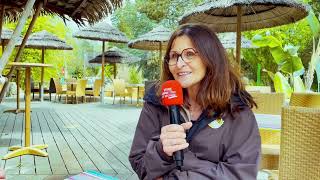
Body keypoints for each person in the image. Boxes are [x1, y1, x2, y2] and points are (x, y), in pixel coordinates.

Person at [129, 24, 261, 180]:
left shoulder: (237, 109)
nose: (179, 64)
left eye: (189, 54)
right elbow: (139, 164)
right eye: (173, 56)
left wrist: (176, 174)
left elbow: (241, 174)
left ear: (210, 57)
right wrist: (161, 152)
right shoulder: (156, 101)